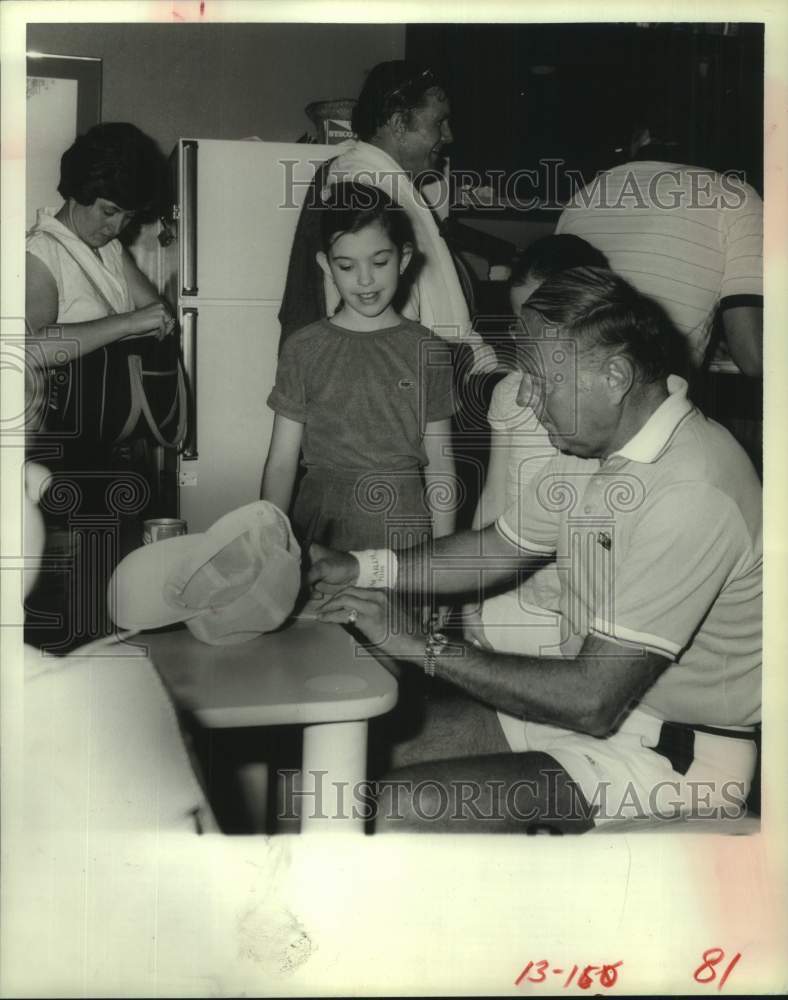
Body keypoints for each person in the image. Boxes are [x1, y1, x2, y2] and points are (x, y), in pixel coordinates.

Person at [308, 267, 761, 833]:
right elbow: (496, 550)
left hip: (677, 760)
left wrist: (417, 643)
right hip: (602, 719)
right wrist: (361, 566)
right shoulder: (591, 451)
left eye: (542, 380)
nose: (526, 396)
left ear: (614, 376)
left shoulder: (692, 490)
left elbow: (592, 698)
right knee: (346, 766)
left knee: (386, 808)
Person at [262, 181, 457, 551]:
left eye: (380, 262)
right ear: (326, 265)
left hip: (403, 527)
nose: (365, 280)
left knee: (395, 611)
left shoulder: (427, 349)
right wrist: (269, 545)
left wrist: (442, 565)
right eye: (347, 266)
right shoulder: (303, 349)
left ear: (403, 258)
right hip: (319, 528)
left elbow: (441, 467)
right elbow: (282, 463)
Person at [278, 60, 494, 372]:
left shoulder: (386, 183)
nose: (449, 136)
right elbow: (383, 338)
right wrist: (474, 358)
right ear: (397, 123)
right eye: (439, 122)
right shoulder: (365, 188)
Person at [463, 235, 610, 651]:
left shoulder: (606, 405)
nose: (526, 343)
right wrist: (471, 595)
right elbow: (492, 497)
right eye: (518, 323)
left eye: (542, 327)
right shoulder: (510, 393)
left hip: (589, 607)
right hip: (514, 595)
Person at [554, 117, 763, 378]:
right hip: (641, 394)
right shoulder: (737, 197)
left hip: (560, 381)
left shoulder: (582, 196)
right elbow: (753, 357)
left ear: (641, 138)